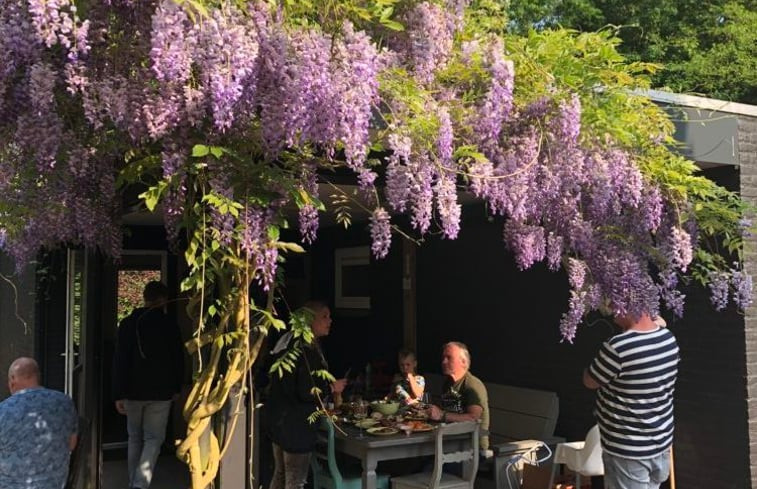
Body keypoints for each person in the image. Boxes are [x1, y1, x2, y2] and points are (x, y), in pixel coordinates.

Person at [584, 312, 680, 489]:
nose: (611, 311)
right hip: (660, 441)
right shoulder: (668, 339)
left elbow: (590, 381)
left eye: (615, 303)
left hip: (628, 447)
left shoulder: (618, 346)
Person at [266, 300, 347, 489]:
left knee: (280, 475)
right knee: (295, 481)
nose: (330, 320)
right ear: (310, 320)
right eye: (324, 317)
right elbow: (305, 390)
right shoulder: (304, 349)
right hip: (295, 426)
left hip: (279, 421)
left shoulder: (289, 340)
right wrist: (332, 388)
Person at [113, 281, 184, 489]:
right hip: (162, 392)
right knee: (153, 439)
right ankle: (140, 484)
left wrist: (118, 393)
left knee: (135, 438)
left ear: (144, 297)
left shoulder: (128, 323)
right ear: (163, 300)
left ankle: (133, 482)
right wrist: (177, 386)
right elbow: (178, 358)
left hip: (132, 391)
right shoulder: (169, 324)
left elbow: (120, 360)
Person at [0, 357, 78, 489]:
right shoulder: (65, 403)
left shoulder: (3, 410)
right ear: (38, 376)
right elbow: (72, 444)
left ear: (12, 380)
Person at [427, 341, 490, 451]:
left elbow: (473, 418)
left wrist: (442, 415)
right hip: (450, 443)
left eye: (449, 358)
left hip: (472, 449)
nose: (444, 362)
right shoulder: (447, 383)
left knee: (427, 468)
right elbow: (448, 412)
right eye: (443, 358)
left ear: (463, 362)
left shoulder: (472, 385)